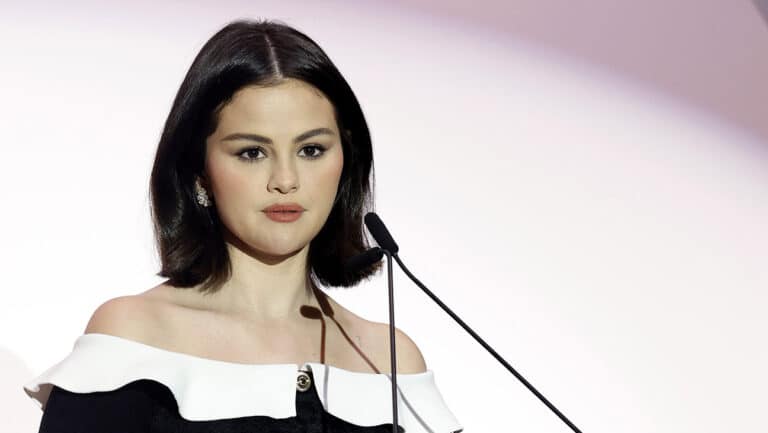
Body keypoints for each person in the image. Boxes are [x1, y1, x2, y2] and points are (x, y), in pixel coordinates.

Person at [22, 18, 463, 433]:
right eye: (252, 152)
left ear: (346, 162)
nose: (286, 181)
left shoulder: (391, 360)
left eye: (311, 150)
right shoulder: (134, 336)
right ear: (198, 170)